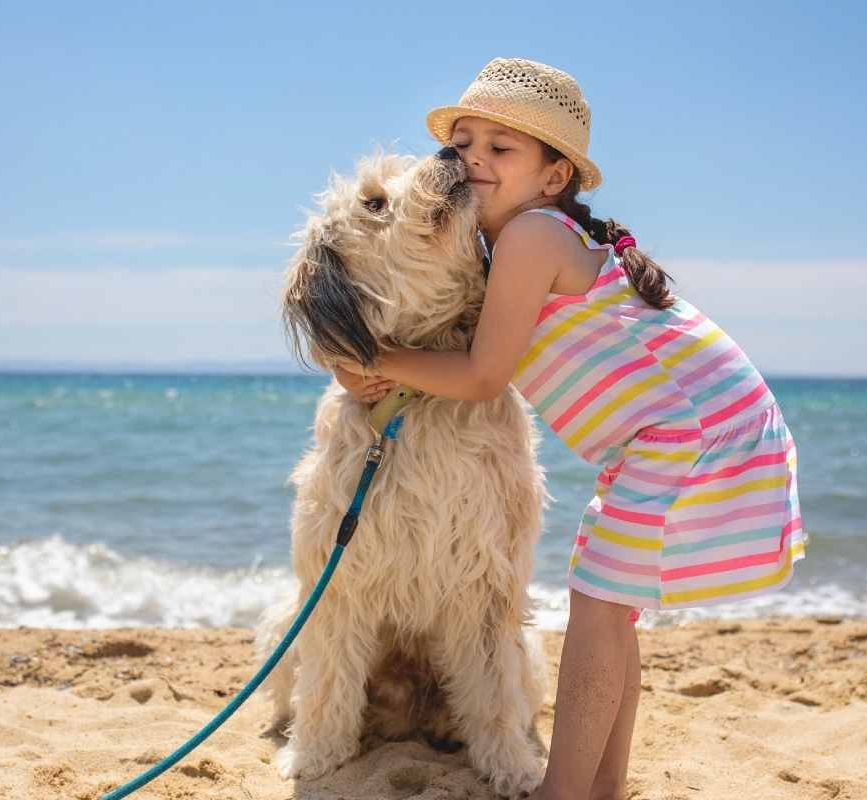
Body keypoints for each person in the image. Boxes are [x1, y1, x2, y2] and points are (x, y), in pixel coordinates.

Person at [338, 57, 805, 800]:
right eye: (463, 142)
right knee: (612, 613)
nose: (474, 160)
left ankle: (563, 792)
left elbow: (483, 375)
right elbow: (462, 344)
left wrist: (376, 356)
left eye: (503, 148)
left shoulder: (528, 235)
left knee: (596, 608)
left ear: (555, 176)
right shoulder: (517, 241)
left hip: (687, 432)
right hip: (684, 431)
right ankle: (605, 784)